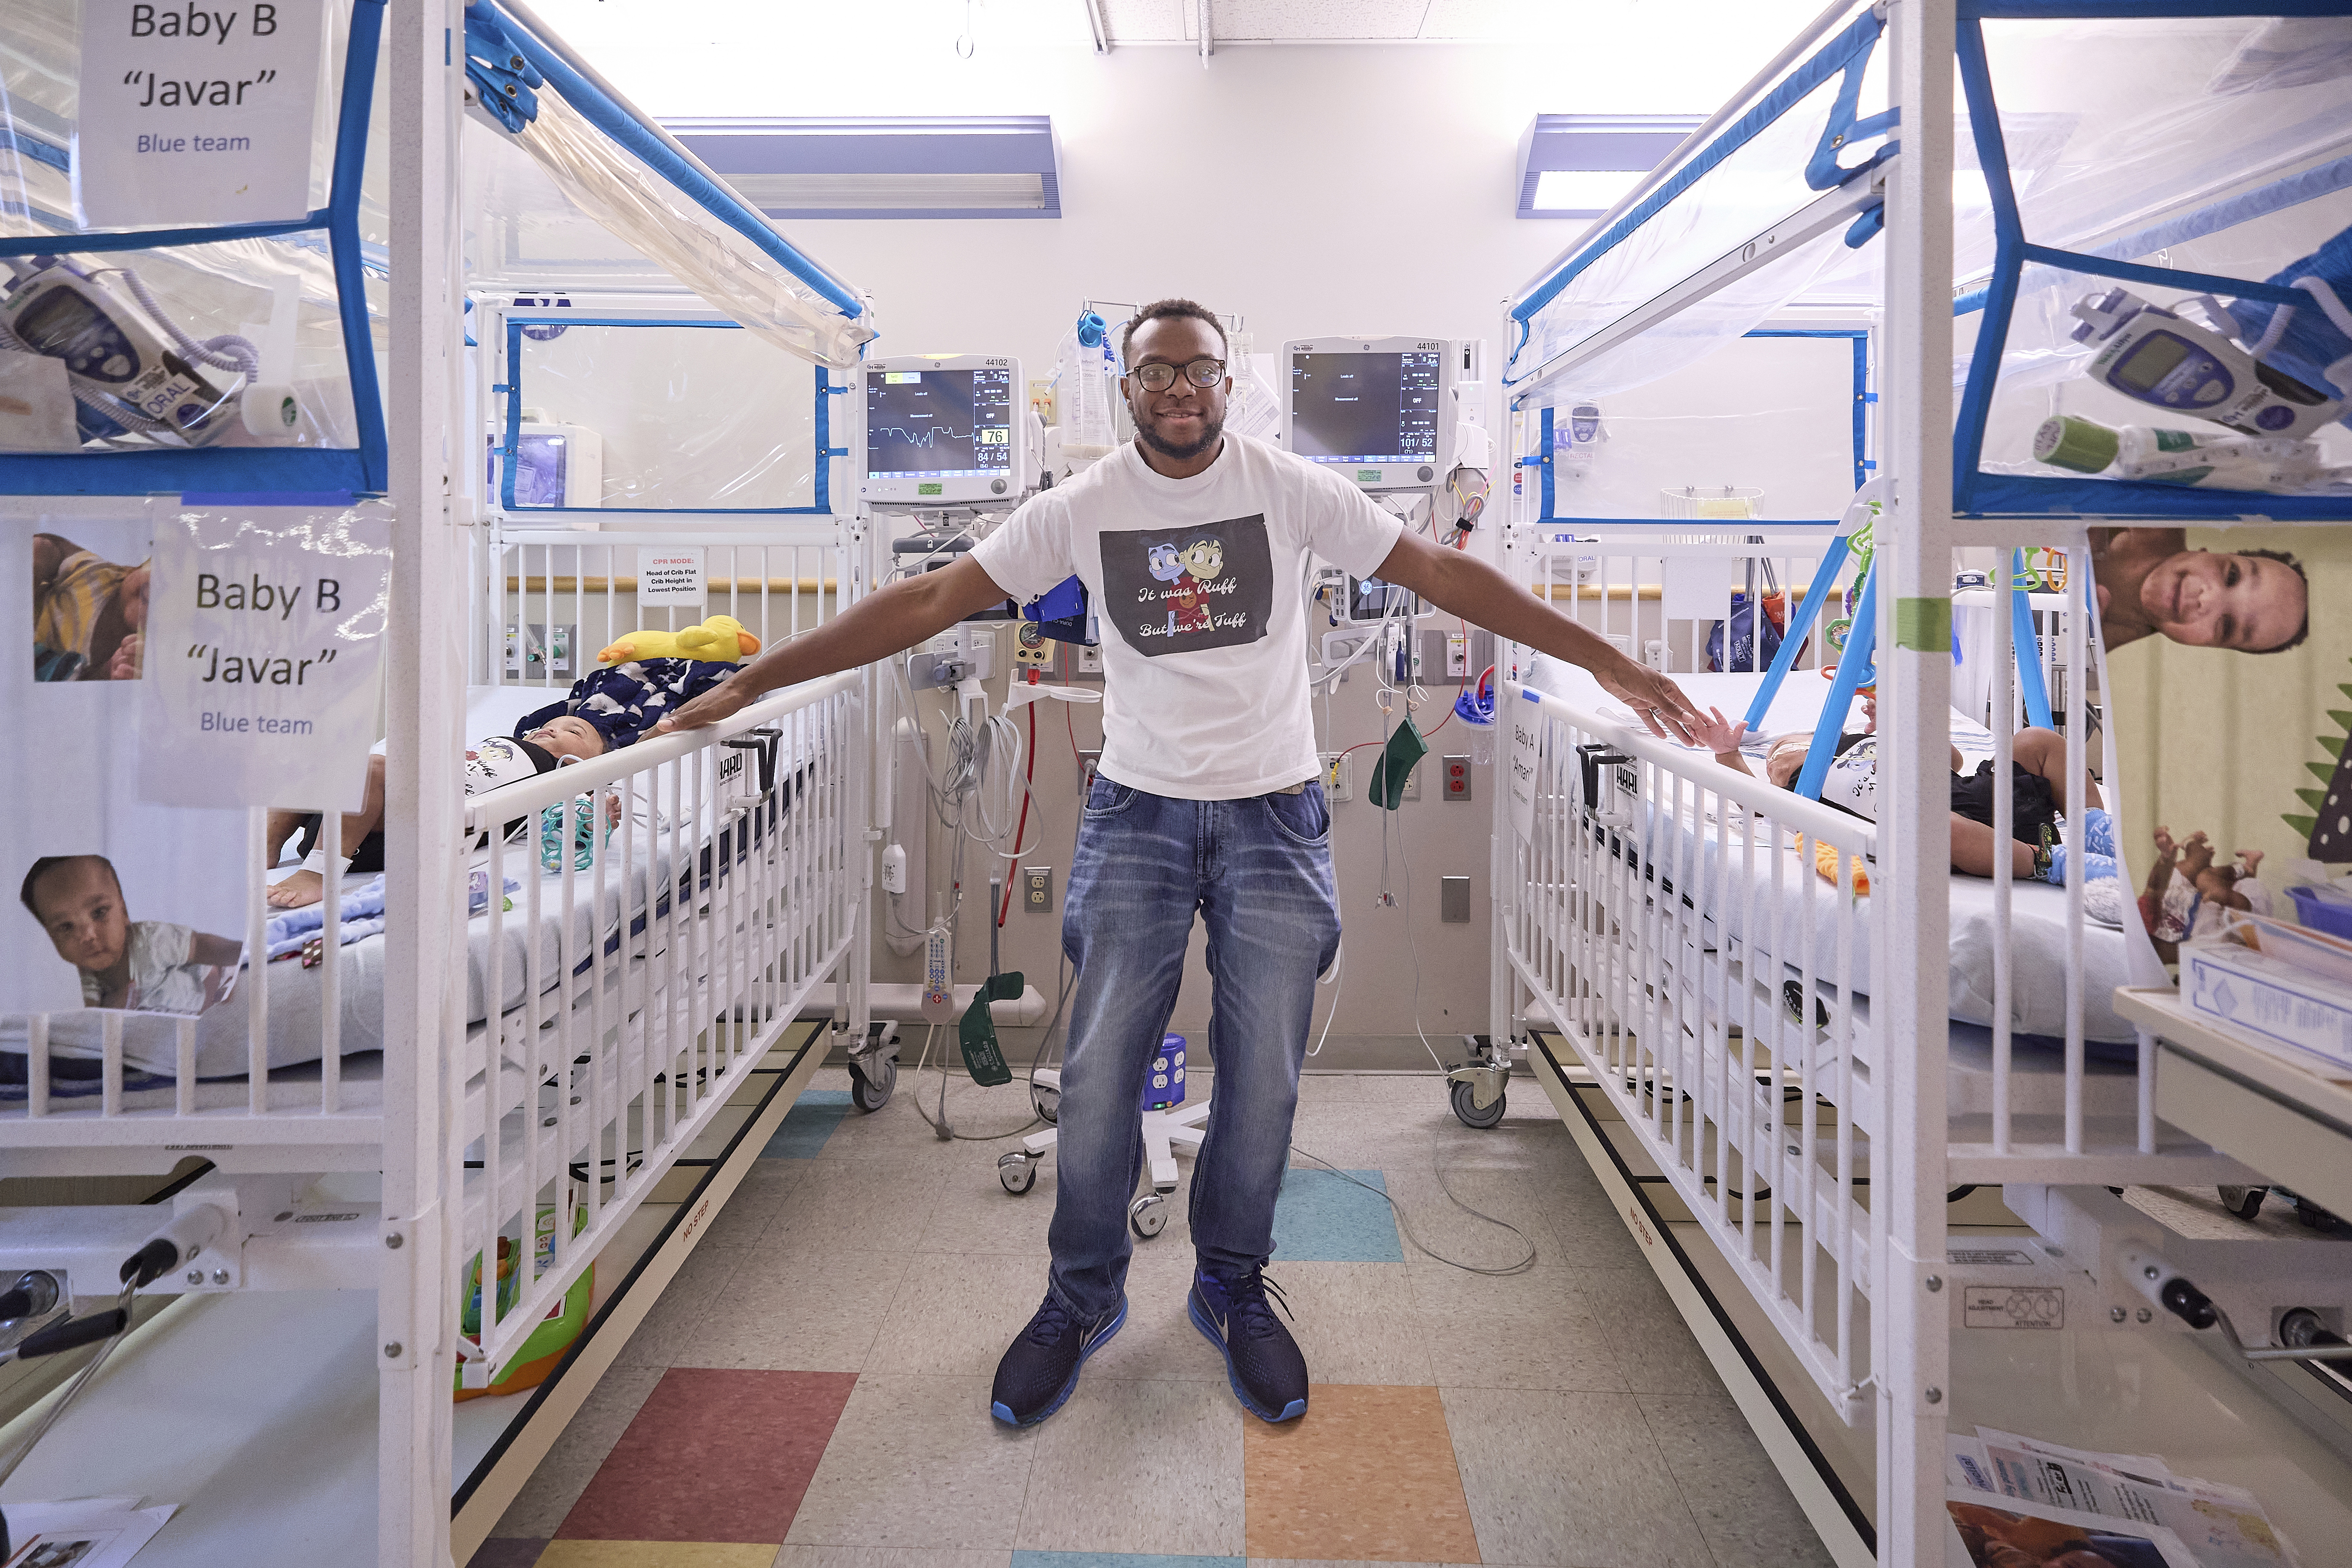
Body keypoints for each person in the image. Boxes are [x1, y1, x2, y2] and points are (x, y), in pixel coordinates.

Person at [655, 297, 1702, 1430]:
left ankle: (1230, 1283)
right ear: (1128, 391)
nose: (1176, 389)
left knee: (1264, 1079)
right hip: (1138, 817)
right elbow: (926, 597)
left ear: (1225, 381)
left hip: (1273, 818)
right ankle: (1079, 1295)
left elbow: (1441, 576)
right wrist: (751, 682)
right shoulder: (1084, 503)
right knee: (1100, 1074)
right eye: (1154, 372)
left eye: (1196, 368)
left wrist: (1613, 664)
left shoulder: (1288, 485)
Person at [1687, 698, 2117, 885]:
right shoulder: (1806, 801)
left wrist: (1897, 728)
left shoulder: (1867, 745)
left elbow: (1950, 759)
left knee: (2038, 741)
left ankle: (2094, 830)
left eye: (1789, 748)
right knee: (1933, 824)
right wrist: (1728, 753)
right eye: (1775, 766)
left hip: (1973, 792)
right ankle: (2054, 863)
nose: (1778, 759)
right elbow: (1751, 797)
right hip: (1958, 833)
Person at [262, 713, 612, 909]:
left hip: (407, 830)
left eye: (574, 730)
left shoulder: (561, 780)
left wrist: (601, 812)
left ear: (591, 764)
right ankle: (271, 841)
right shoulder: (500, 743)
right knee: (322, 755)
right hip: (349, 814)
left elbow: (571, 829)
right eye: (550, 724)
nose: (553, 728)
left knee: (372, 768)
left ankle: (319, 873)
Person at [20, 854, 241, 1015]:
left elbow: (206, 946)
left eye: (99, 913)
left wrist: (245, 955)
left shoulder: (152, 941)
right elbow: (92, 1020)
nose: (88, 936)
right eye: (66, 927)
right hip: (161, 1029)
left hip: (210, 994)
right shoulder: (86, 974)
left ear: (124, 912)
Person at [2087, 527, 2308, 654]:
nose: (2209, 599)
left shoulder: (2083, 647)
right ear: (2210, 553)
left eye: (2227, 627)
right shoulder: (2155, 502)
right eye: (2231, 576)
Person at [31, 532, 149, 682]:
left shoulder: (130, 656)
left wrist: (109, 671)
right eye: (160, 574)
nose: (155, 590)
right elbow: (52, 547)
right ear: (135, 568)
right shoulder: (98, 572)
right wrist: (41, 557)